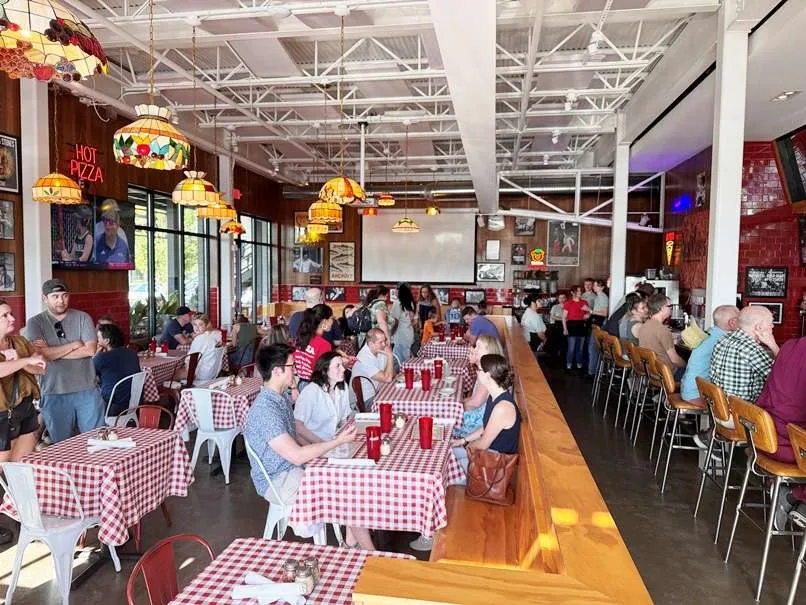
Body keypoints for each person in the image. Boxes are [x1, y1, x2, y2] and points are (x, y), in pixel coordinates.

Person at [242, 344, 374, 549]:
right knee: (348, 492)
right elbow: (295, 455)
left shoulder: (280, 397)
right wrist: (335, 443)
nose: (296, 370)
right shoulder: (266, 410)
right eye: (292, 366)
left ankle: (351, 543)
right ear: (277, 371)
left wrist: (325, 449)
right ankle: (368, 553)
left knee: (348, 481)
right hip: (278, 479)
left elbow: (295, 435)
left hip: (291, 468)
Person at [22, 279, 105, 443]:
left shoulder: (83, 318)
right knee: (61, 445)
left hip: (87, 390)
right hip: (54, 393)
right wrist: (74, 345)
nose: (61, 300)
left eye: (64, 295)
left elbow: (89, 350)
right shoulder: (35, 323)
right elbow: (39, 355)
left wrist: (50, 350)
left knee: (98, 442)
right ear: (44, 298)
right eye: (55, 296)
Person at [753, 337, 806, 525]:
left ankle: (793, 498)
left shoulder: (789, 346)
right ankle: (794, 497)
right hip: (791, 447)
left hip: (764, 436)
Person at [451, 354, 521, 477]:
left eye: (479, 369)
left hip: (494, 465)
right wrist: (462, 440)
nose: (476, 372)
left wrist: (466, 446)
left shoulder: (503, 407)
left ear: (488, 376)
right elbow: (485, 427)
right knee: (447, 452)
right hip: (487, 454)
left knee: (449, 468)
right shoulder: (493, 395)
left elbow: (483, 444)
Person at [0, 298, 46, 460]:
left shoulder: (19, 341)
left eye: (11, 314)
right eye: (5, 315)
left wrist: (20, 359)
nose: (12, 318)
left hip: (25, 408)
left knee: (20, 466)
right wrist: (25, 361)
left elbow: (40, 368)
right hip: (2, 415)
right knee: (2, 467)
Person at [710, 305, 778, 403]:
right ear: (758, 327)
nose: (772, 326)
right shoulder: (751, 348)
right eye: (771, 322)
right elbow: (782, 378)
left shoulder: (723, 339)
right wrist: (773, 345)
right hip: (743, 413)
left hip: (721, 408)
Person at [680, 305, 739, 403]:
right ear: (732, 322)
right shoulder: (725, 341)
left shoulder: (708, 333)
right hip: (697, 394)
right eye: (740, 320)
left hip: (688, 389)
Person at [454, 335, 504, 438]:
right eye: (475, 346)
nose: (474, 349)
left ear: (488, 352)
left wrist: (455, 406)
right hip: (479, 420)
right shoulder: (483, 369)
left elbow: (475, 403)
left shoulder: (486, 375)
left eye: (479, 347)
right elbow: (472, 399)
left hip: (476, 423)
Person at [294, 352, 352, 442]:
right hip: (313, 444)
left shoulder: (342, 387)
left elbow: (344, 420)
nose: (343, 369)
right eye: (337, 366)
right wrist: (322, 446)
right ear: (325, 370)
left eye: (342, 365)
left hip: (333, 440)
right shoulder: (311, 391)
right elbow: (297, 426)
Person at [93, 323, 141, 417]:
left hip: (112, 404)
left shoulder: (102, 357)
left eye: (98, 338)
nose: (97, 340)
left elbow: (89, 373)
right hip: (134, 400)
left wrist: (97, 352)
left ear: (107, 341)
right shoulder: (132, 353)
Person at [638, 294, 686, 375]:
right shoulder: (663, 330)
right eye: (670, 306)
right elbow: (674, 360)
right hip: (666, 374)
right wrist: (687, 365)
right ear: (663, 308)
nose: (671, 309)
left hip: (650, 371)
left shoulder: (644, 325)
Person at [350, 328, 394, 405]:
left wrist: (387, 373)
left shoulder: (380, 351)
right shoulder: (364, 358)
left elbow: (393, 373)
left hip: (379, 392)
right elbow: (388, 378)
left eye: (385, 340)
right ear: (370, 344)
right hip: (366, 400)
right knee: (395, 404)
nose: (384, 345)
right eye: (380, 342)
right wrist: (390, 356)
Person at [293, 304, 334, 382]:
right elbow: (324, 372)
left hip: (297, 382)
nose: (333, 321)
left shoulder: (300, 338)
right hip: (313, 384)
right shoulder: (324, 345)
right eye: (332, 318)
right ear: (324, 321)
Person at [187, 314, 223, 384]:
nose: (197, 327)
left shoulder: (200, 339)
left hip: (200, 375)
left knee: (172, 373)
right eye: (195, 324)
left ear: (206, 326)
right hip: (211, 374)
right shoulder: (213, 337)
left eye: (200, 325)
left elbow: (191, 361)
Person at [562, 286, 589, 371]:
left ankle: (579, 363)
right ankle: (569, 363)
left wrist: (587, 315)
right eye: (578, 291)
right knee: (571, 348)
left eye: (580, 291)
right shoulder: (568, 303)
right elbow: (563, 317)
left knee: (580, 349)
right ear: (572, 293)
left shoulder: (584, 302)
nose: (580, 292)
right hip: (571, 326)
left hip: (582, 326)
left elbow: (588, 314)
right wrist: (565, 329)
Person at [390, 283, 416, 365]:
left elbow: (395, 322)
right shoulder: (411, 303)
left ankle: (400, 376)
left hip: (400, 334)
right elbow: (414, 321)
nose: (395, 293)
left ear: (400, 292)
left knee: (397, 360)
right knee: (406, 358)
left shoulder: (397, 303)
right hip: (409, 333)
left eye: (396, 291)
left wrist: (390, 334)